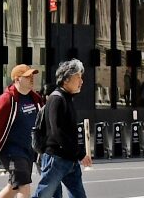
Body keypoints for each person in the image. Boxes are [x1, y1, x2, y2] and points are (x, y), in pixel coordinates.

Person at [0, 64, 45, 198]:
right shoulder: (7, 99)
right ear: (17, 79)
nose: (32, 79)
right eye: (27, 77)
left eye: (32, 76)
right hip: (12, 151)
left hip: (28, 150)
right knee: (24, 187)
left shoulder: (36, 98)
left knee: (13, 187)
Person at [32, 60, 92, 198]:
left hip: (69, 160)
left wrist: (77, 154)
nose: (81, 81)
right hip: (57, 159)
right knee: (44, 194)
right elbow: (57, 131)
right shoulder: (57, 99)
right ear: (66, 79)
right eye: (78, 77)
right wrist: (80, 153)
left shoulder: (67, 98)